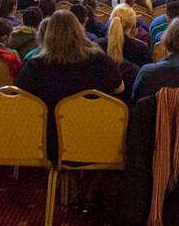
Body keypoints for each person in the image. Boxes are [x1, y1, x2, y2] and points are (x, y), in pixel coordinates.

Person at [15, 10, 125, 160]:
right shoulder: (100, 60)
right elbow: (120, 89)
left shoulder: (34, 66)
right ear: (79, 30)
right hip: (96, 136)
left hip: (50, 142)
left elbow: (21, 99)